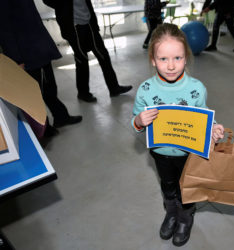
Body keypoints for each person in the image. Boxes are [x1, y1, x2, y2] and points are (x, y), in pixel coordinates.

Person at [131, 23, 224, 247]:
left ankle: (185, 217)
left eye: (178, 58)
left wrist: (213, 128)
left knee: (187, 188)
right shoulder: (145, 90)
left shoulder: (197, 88)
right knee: (167, 184)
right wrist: (138, 121)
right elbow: (135, 119)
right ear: (153, 59)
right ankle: (171, 212)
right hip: (160, 153)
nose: (171, 66)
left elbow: (203, 116)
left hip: (188, 154)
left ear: (186, 57)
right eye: (163, 59)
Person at [0, 0, 82, 137]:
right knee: (38, 91)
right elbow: (4, 29)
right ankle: (43, 129)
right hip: (28, 52)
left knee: (49, 87)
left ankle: (60, 117)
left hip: (38, 48)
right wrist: (17, 59)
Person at [43, 0, 132, 103]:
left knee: (103, 55)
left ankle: (114, 88)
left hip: (89, 23)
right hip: (74, 27)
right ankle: (83, 93)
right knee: (82, 60)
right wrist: (63, 6)